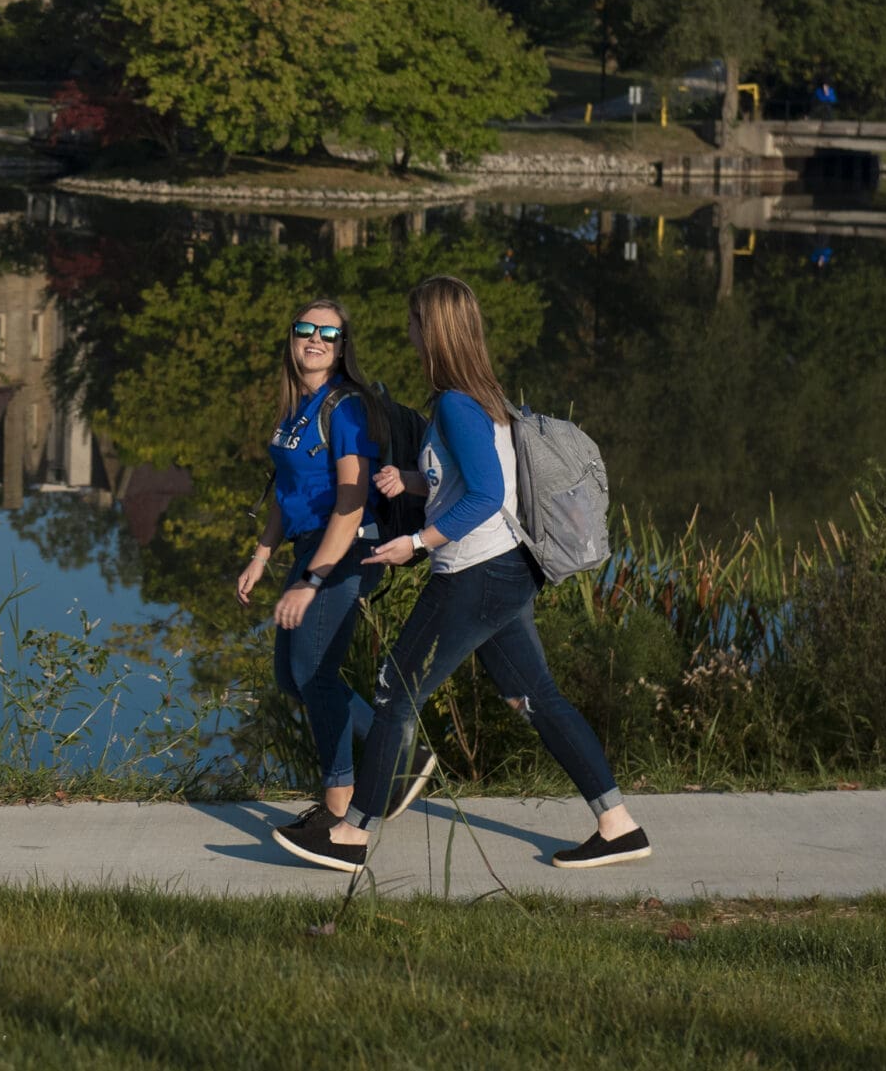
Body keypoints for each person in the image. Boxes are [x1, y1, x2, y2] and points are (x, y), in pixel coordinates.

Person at [273, 275, 652, 875]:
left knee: (394, 690)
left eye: (414, 320)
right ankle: (618, 824)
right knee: (537, 698)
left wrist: (417, 541)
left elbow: (486, 494)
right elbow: (468, 484)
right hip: (506, 570)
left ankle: (351, 833)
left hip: (477, 572)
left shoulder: (454, 403)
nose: (408, 330)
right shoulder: (478, 396)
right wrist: (416, 482)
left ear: (433, 329)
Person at [236, 299, 391, 854]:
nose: (316, 339)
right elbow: (285, 492)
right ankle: (396, 752)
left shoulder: (345, 407)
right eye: (306, 329)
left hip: (345, 546)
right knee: (290, 675)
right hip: (309, 546)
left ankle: (338, 808)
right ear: (292, 338)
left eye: (330, 332)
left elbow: (350, 502)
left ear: (343, 346)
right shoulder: (298, 407)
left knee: (315, 673)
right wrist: (261, 555)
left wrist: (312, 578)